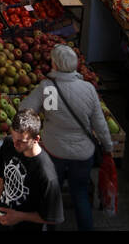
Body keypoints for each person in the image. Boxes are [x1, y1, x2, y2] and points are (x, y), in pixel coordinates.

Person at [18, 42, 112, 232]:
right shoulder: (88, 88)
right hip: (83, 154)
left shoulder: (48, 88)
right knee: (80, 195)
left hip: (54, 151)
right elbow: (100, 124)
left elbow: (24, 110)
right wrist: (108, 147)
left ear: (56, 64)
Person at [0, 109, 65, 233]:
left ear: (36, 139)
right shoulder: (9, 143)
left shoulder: (46, 174)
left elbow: (53, 218)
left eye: (21, 141)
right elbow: (1, 177)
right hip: (1, 223)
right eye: (14, 137)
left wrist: (19, 216)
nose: (15, 144)